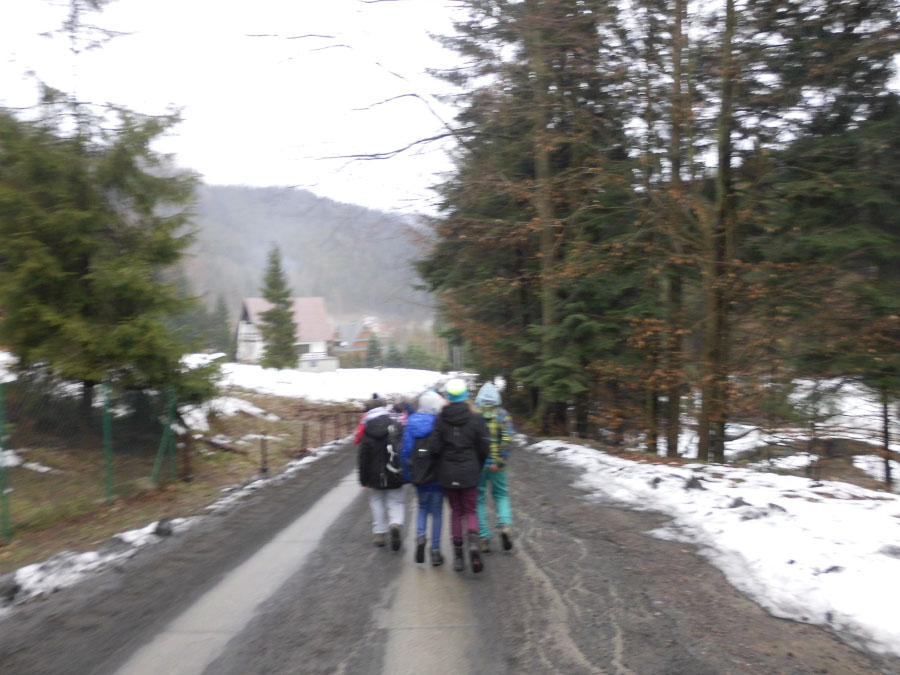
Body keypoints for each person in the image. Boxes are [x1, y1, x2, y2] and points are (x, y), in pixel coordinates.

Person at [429, 378, 490, 573]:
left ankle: (458, 556)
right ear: (466, 396)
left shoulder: (441, 419)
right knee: (470, 511)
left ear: (447, 396)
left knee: (456, 511)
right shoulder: (476, 418)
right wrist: (478, 465)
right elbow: (484, 447)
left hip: (448, 472)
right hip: (470, 470)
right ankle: (473, 543)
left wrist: (440, 464)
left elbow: (434, 447)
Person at [400, 390, 446, 566]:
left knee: (422, 507)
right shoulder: (439, 422)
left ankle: (420, 536)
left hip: (420, 475)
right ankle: (435, 551)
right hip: (437, 475)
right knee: (437, 513)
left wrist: (409, 475)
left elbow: (406, 451)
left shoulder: (411, 423)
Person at [357, 397, 405, 550]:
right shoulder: (395, 425)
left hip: (374, 474)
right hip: (394, 470)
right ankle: (395, 523)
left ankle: (379, 533)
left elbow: (363, 457)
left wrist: (363, 479)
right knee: (396, 501)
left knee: (377, 501)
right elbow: (404, 448)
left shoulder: (367, 430)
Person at [474, 382, 515, 552]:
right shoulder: (502, 415)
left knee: (479, 499)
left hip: (479, 465)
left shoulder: (475, 415)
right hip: (498, 466)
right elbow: (508, 438)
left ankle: (484, 537)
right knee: (501, 495)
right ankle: (504, 524)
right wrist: (500, 461)